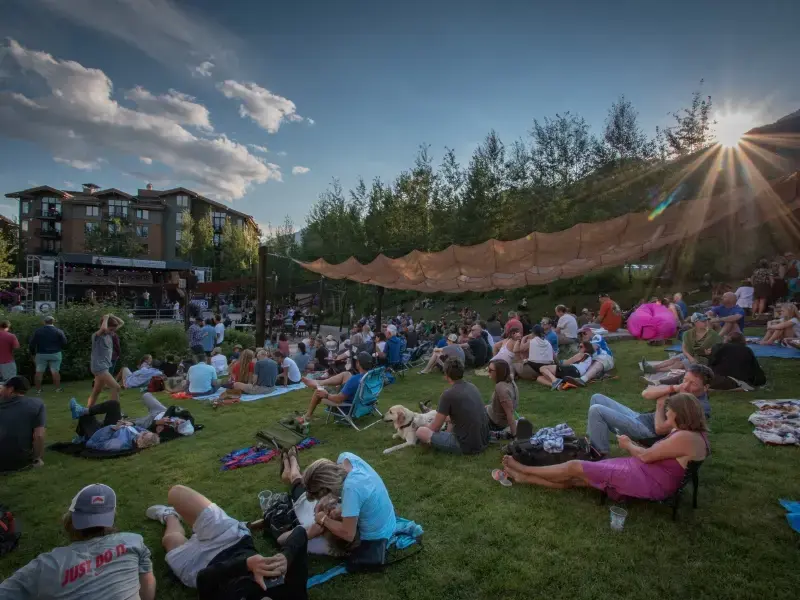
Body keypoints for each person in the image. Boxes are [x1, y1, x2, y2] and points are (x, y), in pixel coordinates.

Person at [497, 394, 710, 502]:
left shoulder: (683, 437)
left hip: (648, 480)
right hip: (650, 474)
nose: (667, 416)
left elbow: (645, 457)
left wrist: (628, 445)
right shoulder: (693, 434)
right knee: (577, 480)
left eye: (669, 412)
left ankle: (524, 470)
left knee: (574, 467)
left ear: (680, 414)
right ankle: (525, 478)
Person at [146, 485, 308, 600]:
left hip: (200, 566)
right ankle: (204, 528)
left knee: (171, 540)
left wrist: (246, 565)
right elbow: (300, 533)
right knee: (177, 493)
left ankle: (169, 516)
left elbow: (204, 579)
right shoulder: (293, 595)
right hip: (233, 539)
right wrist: (287, 556)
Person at [0, 483, 156, 599]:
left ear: (70, 521)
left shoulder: (45, 566)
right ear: (113, 517)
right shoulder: (133, 541)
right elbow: (147, 591)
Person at [586, 363, 713, 456]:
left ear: (706, 387)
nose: (686, 385)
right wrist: (672, 388)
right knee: (597, 398)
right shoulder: (682, 387)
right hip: (642, 419)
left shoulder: (698, 407)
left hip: (649, 433)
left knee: (596, 410)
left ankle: (599, 454)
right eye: (685, 380)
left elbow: (660, 430)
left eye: (693, 384)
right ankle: (593, 443)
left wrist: (659, 405)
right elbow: (646, 393)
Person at [302, 452, 396, 566]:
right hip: (387, 519)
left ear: (327, 488)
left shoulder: (350, 489)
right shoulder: (345, 457)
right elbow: (364, 495)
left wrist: (324, 519)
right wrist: (332, 504)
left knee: (314, 541)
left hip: (376, 536)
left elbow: (348, 534)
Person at [416, 357, 490, 455]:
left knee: (421, 431)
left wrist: (425, 426)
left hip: (466, 445)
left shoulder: (448, 394)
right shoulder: (472, 386)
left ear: (446, 374)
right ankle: (445, 435)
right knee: (449, 420)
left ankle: (438, 442)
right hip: (484, 440)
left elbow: (435, 428)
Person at [69, 397, 161, 451]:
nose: (143, 432)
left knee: (87, 417)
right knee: (114, 404)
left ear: (141, 443)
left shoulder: (119, 443)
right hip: (114, 427)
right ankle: (82, 411)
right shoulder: (139, 434)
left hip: (99, 434)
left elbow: (92, 444)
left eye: (144, 434)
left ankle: (81, 436)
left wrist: (112, 429)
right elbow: (141, 429)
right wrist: (130, 424)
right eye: (146, 432)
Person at [301, 352, 372, 421]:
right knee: (346, 374)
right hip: (364, 403)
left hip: (347, 407)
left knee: (318, 391)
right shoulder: (372, 376)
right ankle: (319, 382)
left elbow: (338, 399)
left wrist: (326, 395)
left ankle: (308, 415)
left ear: (358, 363)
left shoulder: (355, 380)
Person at [642, 313, 721, 373]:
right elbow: (684, 348)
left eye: (706, 320)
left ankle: (655, 370)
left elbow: (719, 347)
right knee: (675, 359)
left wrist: (711, 351)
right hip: (690, 354)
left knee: (680, 364)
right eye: (703, 321)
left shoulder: (712, 334)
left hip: (703, 358)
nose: (706, 322)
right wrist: (690, 357)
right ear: (696, 323)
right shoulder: (688, 333)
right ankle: (652, 367)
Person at [0, 376, 45, 472]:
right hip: (20, 462)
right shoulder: (37, 404)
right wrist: (37, 458)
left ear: (11, 389)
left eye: (3, 386)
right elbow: (39, 435)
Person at [88, 314, 123, 408]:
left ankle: (87, 411)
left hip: (104, 367)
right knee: (116, 387)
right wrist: (106, 318)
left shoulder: (109, 335)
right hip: (99, 367)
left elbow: (121, 323)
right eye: (111, 329)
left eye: (114, 330)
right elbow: (103, 329)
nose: (113, 332)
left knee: (96, 391)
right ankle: (115, 411)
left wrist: (111, 315)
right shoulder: (97, 336)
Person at [29, 314, 68, 394]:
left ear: (44, 322)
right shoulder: (58, 331)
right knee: (55, 372)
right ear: (53, 321)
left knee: (39, 372)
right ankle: (57, 389)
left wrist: (33, 354)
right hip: (55, 353)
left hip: (41, 354)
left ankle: (38, 390)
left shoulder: (38, 331)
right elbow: (64, 342)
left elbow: (32, 344)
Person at [486, 359, 518, 437]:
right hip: (493, 415)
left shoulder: (501, 388)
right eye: (488, 369)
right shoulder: (510, 381)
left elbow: (509, 413)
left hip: (494, 423)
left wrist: (515, 435)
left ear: (499, 372)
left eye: (491, 370)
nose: (488, 372)